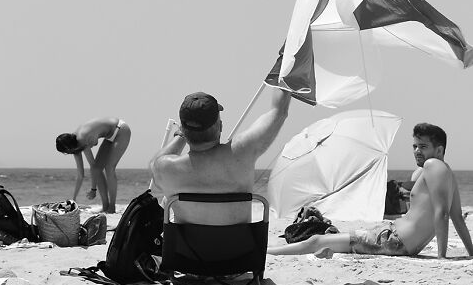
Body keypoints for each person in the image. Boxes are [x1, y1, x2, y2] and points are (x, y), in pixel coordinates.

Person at [269, 123, 473, 260]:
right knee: (336, 238)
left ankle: (269, 252)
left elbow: (443, 214)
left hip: (394, 239)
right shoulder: (448, 174)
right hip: (396, 237)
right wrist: (471, 252)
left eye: (423, 146)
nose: (417, 151)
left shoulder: (432, 166)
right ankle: (326, 249)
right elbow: (456, 217)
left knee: (317, 240)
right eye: (414, 146)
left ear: (439, 150)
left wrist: (441, 257)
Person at [150, 89, 291, 224]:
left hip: (186, 249)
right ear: (220, 126)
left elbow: (157, 160)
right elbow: (279, 112)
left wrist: (182, 135)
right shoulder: (241, 152)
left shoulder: (165, 168)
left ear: (183, 129)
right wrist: (288, 69)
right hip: (240, 248)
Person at [56, 117, 131, 213]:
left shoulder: (82, 139)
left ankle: (112, 207)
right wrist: (73, 200)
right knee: (98, 169)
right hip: (109, 136)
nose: (68, 153)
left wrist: (93, 189)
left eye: (66, 152)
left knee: (109, 168)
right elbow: (80, 174)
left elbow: (92, 165)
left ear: (68, 148)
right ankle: (105, 206)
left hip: (121, 130)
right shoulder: (75, 146)